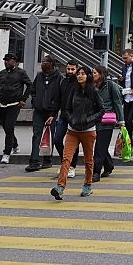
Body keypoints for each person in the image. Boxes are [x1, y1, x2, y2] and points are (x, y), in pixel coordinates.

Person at [50, 66, 103, 200]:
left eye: (83, 74)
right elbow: (66, 109)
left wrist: (88, 119)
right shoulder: (73, 91)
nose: (80, 76)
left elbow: (101, 110)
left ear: (88, 76)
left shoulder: (94, 92)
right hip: (72, 131)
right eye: (78, 74)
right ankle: (60, 187)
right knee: (66, 159)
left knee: (88, 160)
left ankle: (88, 185)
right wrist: (71, 119)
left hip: (88, 131)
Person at [25, 55, 62, 172]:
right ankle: (34, 161)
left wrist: (53, 111)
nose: (42, 64)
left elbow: (59, 96)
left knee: (50, 136)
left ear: (51, 64)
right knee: (37, 135)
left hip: (51, 112)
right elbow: (33, 90)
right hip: (39, 110)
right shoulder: (39, 76)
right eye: (42, 62)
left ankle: (47, 159)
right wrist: (35, 101)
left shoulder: (58, 77)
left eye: (45, 62)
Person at [0, 53, 31, 164]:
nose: (6, 62)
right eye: (5, 60)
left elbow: (30, 85)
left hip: (14, 103)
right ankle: (14, 143)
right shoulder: (2, 73)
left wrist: (23, 99)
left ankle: (7, 152)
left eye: (8, 60)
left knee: (9, 126)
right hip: (1, 103)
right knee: (5, 126)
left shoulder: (21, 73)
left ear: (14, 61)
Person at [91, 65, 124, 182]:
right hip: (93, 120)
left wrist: (121, 120)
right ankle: (109, 165)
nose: (92, 75)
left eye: (95, 73)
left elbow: (117, 103)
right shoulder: (91, 86)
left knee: (99, 147)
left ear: (101, 74)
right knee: (102, 146)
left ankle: (96, 172)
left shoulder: (111, 86)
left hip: (106, 121)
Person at [53, 60, 80, 179]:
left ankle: (71, 166)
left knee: (73, 143)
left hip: (75, 116)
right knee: (57, 139)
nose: (70, 71)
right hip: (63, 115)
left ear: (77, 69)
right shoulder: (63, 81)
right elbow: (58, 98)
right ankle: (65, 162)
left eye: (72, 69)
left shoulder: (79, 82)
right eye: (68, 69)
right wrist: (52, 114)